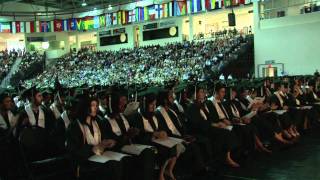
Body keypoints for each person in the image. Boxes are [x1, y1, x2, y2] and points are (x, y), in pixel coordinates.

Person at [66, 97, 123, 180]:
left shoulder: (98, 122)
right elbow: (73, 150)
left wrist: (109, 142)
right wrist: (92, 149)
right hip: (84, 162)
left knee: (120, 162)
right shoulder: (74, 126)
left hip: (100, 157)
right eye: (93, 105)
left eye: (97, 105)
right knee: (109, 167)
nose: (96, 108)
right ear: (85, 107)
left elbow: (104, 138)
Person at [185, 84, 241, 168]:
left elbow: (209, 118)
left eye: (204, 92)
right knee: (223, 133)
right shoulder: (191, 107)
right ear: (195, 94)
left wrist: (218, 123)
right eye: (201, 92)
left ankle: (226, 157)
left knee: (226, 130)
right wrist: (214, 124)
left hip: (207, 126)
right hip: (200, 130)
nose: (204, 94)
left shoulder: (201, 104)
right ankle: (222, 158)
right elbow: (197, 123)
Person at [105, 91, 156, 180]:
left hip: (128, 145)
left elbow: (130, 133)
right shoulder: (105, 121)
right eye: (122, 101)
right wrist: (127, 136)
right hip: (117, 149)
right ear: (115, 103)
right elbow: (112, 142)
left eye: (125, 100)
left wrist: (134, 132)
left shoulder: (123, 117)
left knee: (148, 151)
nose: (125, 104)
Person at [130, 93, 180, 180]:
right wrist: (154, 134)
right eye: (151, 104)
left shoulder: (154, 115)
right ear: (145, 104)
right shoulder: (137, 116)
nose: (153, 107)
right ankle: (160, 175)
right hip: (145, 142)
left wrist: (163, 132)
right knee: (164, 149)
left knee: (173, 145)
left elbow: (161, 127)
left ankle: (167, 171)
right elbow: (139, 135)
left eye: (155, 104)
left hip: (157, 140)